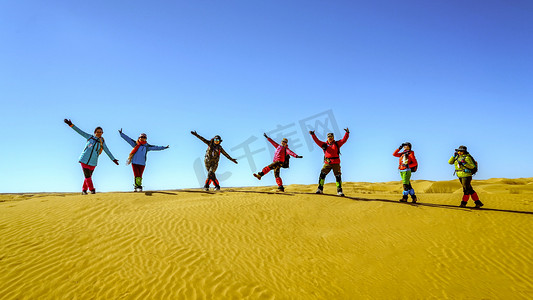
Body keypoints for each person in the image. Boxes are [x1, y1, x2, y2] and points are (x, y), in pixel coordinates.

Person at [64, 119, 119, 194]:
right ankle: (92, 189)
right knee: (87, 176)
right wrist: (71, 125)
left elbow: (107, 150)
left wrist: (113, 159)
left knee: (88, 177)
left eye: (101, 132)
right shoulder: (89, 137)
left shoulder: (102, 142)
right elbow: (80, 131)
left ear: (102, 133)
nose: (99, 133)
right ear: (95, 132)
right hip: (84, 159)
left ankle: (84, 190)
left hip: (93, 162)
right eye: (97, 132)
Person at [309, 128, 350, 196]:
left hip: (336, 163)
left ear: (333, 138)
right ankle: (320, 189)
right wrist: (313, 135)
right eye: (328, 137)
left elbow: (344, 140)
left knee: (338, 176)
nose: (330, 138)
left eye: (331, 137)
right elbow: (317, 141)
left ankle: (339, 191)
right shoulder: (324, 144)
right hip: (327, 163)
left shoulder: (337, 144)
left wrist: (347, 133)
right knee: (322, 174)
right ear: (327, 138)